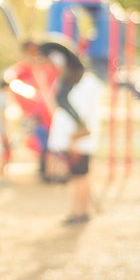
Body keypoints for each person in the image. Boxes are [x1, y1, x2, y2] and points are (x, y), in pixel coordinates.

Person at [39, 39, 102, 225]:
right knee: (80, 176)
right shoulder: (73, 82)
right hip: (76, 138)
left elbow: (83, 115)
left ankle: (80, 212)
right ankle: (80, 210)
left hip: (78, 139)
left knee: (80, 176)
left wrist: (74, 139)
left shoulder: (82, 83)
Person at [4, 40, 57, 181]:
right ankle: (43, 170)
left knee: (48, 144)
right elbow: (11, 80)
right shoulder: (23, 70)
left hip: (46, 115)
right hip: (33, 115)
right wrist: (33, 94)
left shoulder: (46, 70)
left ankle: (47, 170)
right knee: (31, 141)